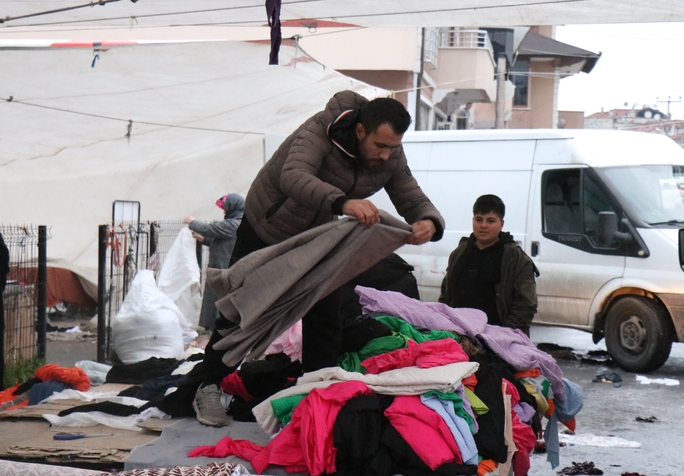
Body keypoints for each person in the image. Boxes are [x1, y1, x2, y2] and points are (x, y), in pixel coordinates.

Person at [193, 90, 445, 427]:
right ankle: (207, 385)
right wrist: (343, 203)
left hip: (317, 235)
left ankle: (315, 394)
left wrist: (429, 220)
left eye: (392, 147)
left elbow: (409, 193)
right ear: (360, 132)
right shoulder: (320, 131)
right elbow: (293, 175)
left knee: (326, 311)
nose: (386, 156)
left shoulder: (391, 156)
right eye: (380, 146)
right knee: (242, 308)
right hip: (266, 225)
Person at [439, 194, 538, 336]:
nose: (483, 225)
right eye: (479, 219)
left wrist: (505, 336)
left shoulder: (515, 259)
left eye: (491, 220)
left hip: (498, 340)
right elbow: (445, 294)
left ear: (501, 224)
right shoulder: (460, 253)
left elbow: (525, 304)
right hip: (458, 335)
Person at [183, 194, 245, 331]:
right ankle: (213, 327)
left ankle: (218, 328)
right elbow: (221, 242)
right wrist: (202, 239)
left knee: (219, 300)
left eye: (225, 208)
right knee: (214, 299)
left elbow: (210, 229)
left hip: (223, 270)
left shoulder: (235, 224)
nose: (223, 212)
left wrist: (193, 222)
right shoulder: (235, 223)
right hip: (220, 268)